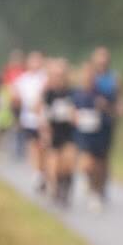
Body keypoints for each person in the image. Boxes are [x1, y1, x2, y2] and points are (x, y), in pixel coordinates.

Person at [73, 63, 113, 208]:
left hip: (100, 133)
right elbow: (71, 111)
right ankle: (89, 187)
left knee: (99, 165)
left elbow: (113, 110)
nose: (88, 78)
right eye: (85, 75)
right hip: (83, 134)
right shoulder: (76, 93)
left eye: (91, 76)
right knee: (87, 164)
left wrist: (105, 106)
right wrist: (74, 116)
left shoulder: (102, 94)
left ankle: (97, 191)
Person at [41, 58, 79, 207]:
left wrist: (73, 115)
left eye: (61, 75)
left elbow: (77, 114)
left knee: (68, 164)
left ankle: (66, 190)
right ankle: (56, 188)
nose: (58, 78)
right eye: (55, 75)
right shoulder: (48, 94)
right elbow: (42, 114)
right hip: (53, 133)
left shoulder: (72, 93)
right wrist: (45, 133)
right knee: (55, 167)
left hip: (68, 133)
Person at [87, 46, 122, 207]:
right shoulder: (88, 76)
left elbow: (119, 100)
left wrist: (116, 109)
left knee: (103, 158)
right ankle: (92, 187)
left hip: (106, 122)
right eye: (99, 57)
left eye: (105, 57)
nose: (102, 60)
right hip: (88, 123)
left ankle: (101, 187)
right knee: (89, 160)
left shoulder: (114, 78)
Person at [15, 52, 49, 187]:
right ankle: (37, 172)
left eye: (37, 61)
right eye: (32, 61)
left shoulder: (45, 78)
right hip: (28, 119)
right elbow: (16, 98)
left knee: (43, 146)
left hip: (43, 119)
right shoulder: (23, 79)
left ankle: (43, 170)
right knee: (33, 146)